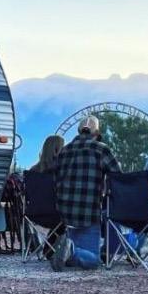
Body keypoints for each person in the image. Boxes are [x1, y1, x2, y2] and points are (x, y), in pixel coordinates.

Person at [50, 115, 119, 270]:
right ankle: (71, 251)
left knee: (73, 257)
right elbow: (118, 178)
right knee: (93, 261)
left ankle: (68, 248)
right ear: (97, 133)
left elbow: (55, 180)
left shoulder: (64, 151)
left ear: (79, 130)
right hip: (89, 213)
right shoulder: (101, 149)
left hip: (65, 213)